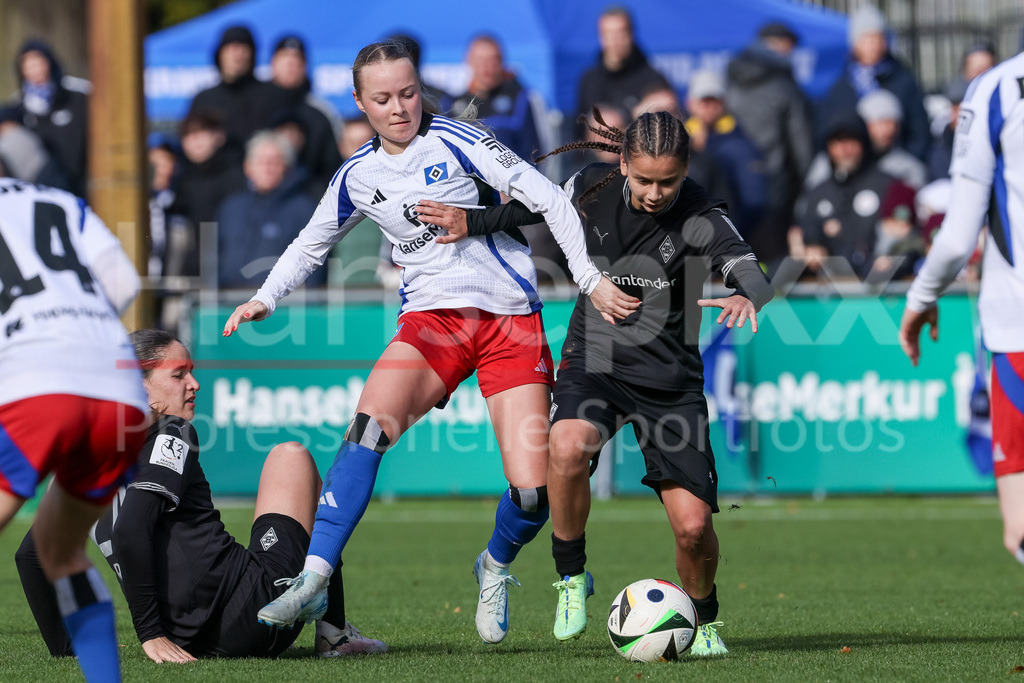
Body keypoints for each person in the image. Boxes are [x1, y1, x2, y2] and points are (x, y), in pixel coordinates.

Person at [220, 40, 638, 645]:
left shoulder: (460, 141)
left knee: (531, 491)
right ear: (361, 104)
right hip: (432, 324)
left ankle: (493, 565)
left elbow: (550, 198)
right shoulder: (356, 175)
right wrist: (266, 296)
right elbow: (311, 243)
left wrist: (591, 280)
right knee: (367, 428)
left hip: (507, 320)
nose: (399, 108)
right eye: (383, 98)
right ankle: (312, 578)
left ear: (421, 89)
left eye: (409, 93)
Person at [423, 111, 773, 653]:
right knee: (563, 448)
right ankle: (570, 577)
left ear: (685, 173)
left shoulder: (700, 212)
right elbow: (532, 208)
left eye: (669, 181)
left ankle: (705, 621)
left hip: (670, 383)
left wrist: (749, 293)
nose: (657, 193)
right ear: (624, 163)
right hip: (596, 361)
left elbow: (747, 268)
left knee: (694, 528)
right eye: (646, 179)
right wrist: (472, 221)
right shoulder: (589, 186)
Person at [15, 329, 386, 662]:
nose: (194, 384)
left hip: (189, 639)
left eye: (190, 371)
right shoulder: (172, 431)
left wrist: (63, 649)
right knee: (290, 455)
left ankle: (330, 629)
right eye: (178, 375)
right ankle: (334, 634)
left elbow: (31, 555)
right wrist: (149, 634)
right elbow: (130, 530)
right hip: (254, 614)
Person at [0, 176, 150, 682]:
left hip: (37, 385)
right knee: (61, 554)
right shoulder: (60, 200)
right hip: (120, 392)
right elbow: (124, 283)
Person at [898, 50, 1024, 571]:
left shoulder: (997, 89)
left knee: (1021, 524)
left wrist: (920, 297)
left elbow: (956, 237)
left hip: (1018, 325)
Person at [725, 21, 815, 265]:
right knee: (774, 263)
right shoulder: (785, 86)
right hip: (775, 184)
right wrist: (809, 187)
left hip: (733, 181)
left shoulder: (731, 78)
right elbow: (802, 146)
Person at [792, 111, 907, 279]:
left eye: (850, 140)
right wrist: (813, 244)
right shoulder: (819, 191)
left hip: (878, 283)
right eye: (837, 142)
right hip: (828, 286)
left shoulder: (889, 185)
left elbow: (905, 233)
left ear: (863, 143)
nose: (844, 149)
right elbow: (806, 225)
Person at [817, 5, 931, 161]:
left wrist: (909, 162)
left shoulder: (904, 80)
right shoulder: (842, 87)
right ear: (855, 44)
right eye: (867, 39)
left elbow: (919, 131)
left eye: (878, 38)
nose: (873, 45)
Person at [216, 131, 323, 290]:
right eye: (261, 161)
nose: (268, 167)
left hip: (283, 307)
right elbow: (215, 259)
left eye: (275, 161)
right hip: (230, 303)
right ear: (247, 167)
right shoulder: (231, 207)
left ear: (286, 167)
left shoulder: (304, 208)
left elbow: (313, 265)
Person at [683, 69, 767, 237]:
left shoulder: (741, 147)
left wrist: (730, 235)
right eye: (703, 100)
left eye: (714, 100)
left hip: (723, 238)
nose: (709, 107)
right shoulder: (677, 142)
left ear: (724, 102)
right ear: (690, 103)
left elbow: (755, 200)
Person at [8, 40, 89, 196]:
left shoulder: (77, 95)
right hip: (43, 190)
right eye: (29, 65)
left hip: (82, 185)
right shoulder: (18, 107)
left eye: (38, 63)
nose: (35, 70)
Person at [574, 6, 671, 135]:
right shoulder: (589, 80)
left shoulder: (653, 79)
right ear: (601, 37)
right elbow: (578, 132)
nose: (615, 41)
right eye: (609, 34)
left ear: (631, 34)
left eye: (621, 33)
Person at [268, 34, 343, 197]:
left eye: (297, 61)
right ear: (272, 63)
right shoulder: (256, 106)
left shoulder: (321, 113)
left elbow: (331, 168)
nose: (290, 65)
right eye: (284, 59)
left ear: (305, 67)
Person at [449, 34, 542, 162]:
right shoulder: (453, 103)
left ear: (502, 62)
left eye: (493, 60)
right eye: (480, 60)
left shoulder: (520, 100)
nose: (487, 67)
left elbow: (538, 153)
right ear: (469, 60)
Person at [186, 25, 281, 147]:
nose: (237, 55)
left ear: (252, 54)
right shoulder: (204, 99)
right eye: (231, 49)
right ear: (219, 55)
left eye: (243, 49)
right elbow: (190, 144)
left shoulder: (273, 96)